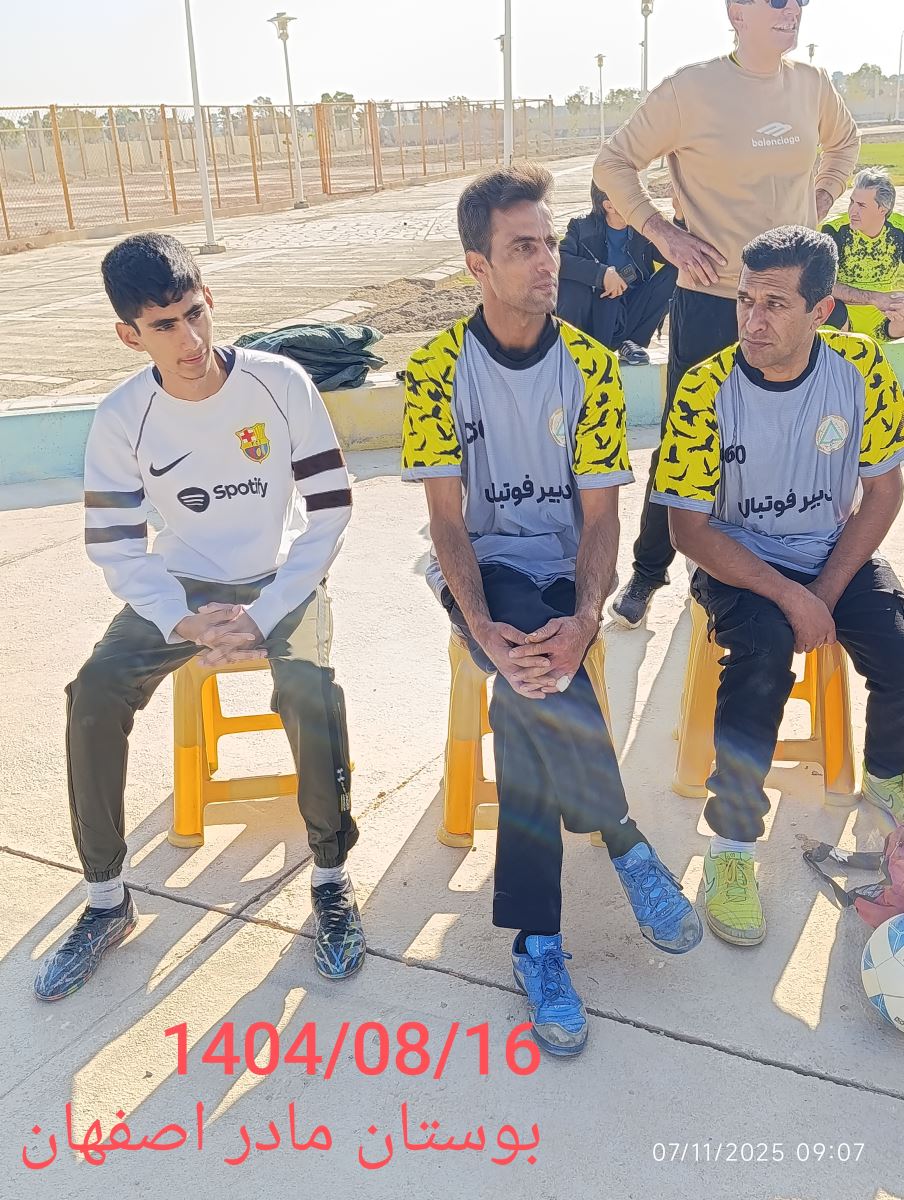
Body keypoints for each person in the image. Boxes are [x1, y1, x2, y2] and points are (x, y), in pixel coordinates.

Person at [401, 164, 702, 1058]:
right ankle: (624, 842)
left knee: (525, 694)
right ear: (477, 266)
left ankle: (537, 942)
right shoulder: (433, 372)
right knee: (527, 669)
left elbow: (602, 520)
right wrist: (481, 628)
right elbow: (447, 523)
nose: (547, 262)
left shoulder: (591, 368)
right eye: (523, 247)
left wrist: (586, 617)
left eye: (551, 243)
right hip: (485, 570)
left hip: (563, 575)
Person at [34, 233, 365, 1000]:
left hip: (280, 577)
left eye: (193, 313)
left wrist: (267, 611)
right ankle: (106, 899)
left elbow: (329, 510)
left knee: (311, 690)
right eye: (163, 326)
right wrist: (181, 620)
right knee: (93, 694)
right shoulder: (123, 417)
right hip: (182, 584)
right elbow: (115, 544)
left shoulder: (280, 384)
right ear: (130, 336)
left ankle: (331, 879)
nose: (188, 340)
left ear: (208, 299)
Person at [652, 225, 904, 947]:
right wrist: (792, 597)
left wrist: (823, 589)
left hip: (830, 553)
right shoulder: (705, 387)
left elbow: (883, 493)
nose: (752, 321)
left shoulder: (861, 368)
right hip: (739, 561)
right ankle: (731, 849)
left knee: (899, 648)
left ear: (821, 311)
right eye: (745, 300)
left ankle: (888, 775)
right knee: (761, 663)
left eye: (775, 304)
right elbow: (689, 531)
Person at [594, 0, 860, 629]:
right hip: (714, 299)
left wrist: (820, 199)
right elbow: (612, 163)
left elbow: (846, 145)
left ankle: (778, 564)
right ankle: (649, 570)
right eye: (776, 1)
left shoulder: (811, 86)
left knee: (795, 438)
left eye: (799, 1)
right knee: (684, 440)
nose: (792, 10)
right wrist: (663, 234)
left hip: (795, 306)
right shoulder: (690, 90)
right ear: (736, 11)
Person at [556, 182, 678, 365]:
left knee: (676, 271)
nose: (637, 201)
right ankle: (576, 345)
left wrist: (679, 217)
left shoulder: (642, 230)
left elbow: (675, 254)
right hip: (596, 312)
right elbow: (560, 260)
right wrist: (602, 274)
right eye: (630, 197)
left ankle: (631, 343)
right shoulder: (582, 228)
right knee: (571, 283)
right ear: (609, 206)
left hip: (631, 309)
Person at [822, 168, 904, 342]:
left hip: (886, 316)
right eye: (852, 202)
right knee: (820, 306)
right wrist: (874, 298)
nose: (852, 211)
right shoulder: (834, 231)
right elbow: (823, 284)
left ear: (882, 209)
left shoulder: (900, 229)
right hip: (842, 313)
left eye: (861, 205)